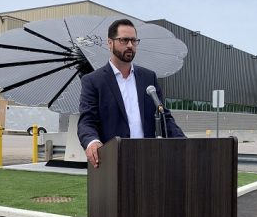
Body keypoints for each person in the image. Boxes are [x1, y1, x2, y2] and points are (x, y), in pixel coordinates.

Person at [77, 18, 185, 168]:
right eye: (124, 40)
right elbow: (87, 121)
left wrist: (184, 143)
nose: (130, 45)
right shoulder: (93, 81)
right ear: (110, 43)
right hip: (112, 164)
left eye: (134, 41)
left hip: (149, 162)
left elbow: (164, 117)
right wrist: (92, 142)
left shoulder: (149, 78)